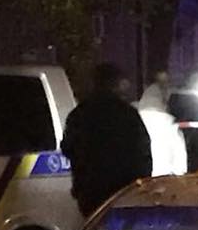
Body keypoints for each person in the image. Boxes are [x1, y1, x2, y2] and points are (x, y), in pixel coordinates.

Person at [61, 63, 152, 217]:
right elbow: (143, 151)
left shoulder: (80, 114)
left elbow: (68, 148)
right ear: (116, 84)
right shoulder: (128, 114)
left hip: (91, 191)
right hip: (124, 192)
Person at [136, 84, 187, 177]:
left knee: (159, 142)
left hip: (145, 112)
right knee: (172, 141)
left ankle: (162, 172)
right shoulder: (163, 87)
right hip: (158, 112)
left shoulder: (152, 89)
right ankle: (172, 171)